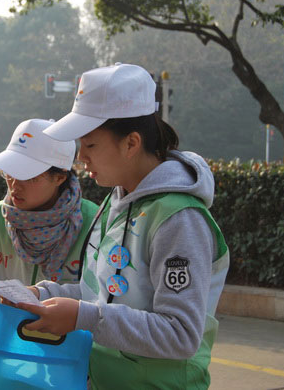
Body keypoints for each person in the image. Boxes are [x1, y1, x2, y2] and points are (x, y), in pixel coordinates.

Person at [12, 64, 230, 389]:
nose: (80, 158)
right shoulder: (117, 201)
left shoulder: (179, 219)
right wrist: (44, 293)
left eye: (90, 145)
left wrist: (81, 317)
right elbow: (102, 294)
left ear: (131, 143)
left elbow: (180, 334)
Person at [0, 119, 99, 312]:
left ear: (60, 177)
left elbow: (103, 300)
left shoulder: (95, 221)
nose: (15, 185)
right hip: (7, 340)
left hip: (69, 342)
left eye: (29, 176)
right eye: (10, 172)